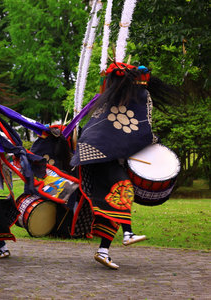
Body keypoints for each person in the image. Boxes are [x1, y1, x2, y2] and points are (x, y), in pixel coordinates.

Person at [70, 62, 172, 269]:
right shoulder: (120, 102)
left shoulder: (113, 101)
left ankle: (103, 251)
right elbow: (138, 131)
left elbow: (126, 132)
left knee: (114, 202)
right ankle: (128, 233)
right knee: (123, 188)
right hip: (100, 156)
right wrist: (153, 140)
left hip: (100, 157)